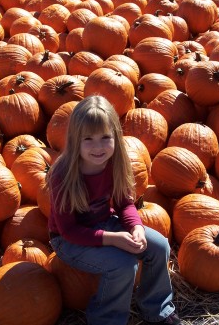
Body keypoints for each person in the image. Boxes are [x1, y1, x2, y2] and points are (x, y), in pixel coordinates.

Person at [47, 95, 180, 325]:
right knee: (123, 264)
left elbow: (124, 204)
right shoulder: (63, 174)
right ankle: (106, 319)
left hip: (105, 223)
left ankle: (156, 307)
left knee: (159, 246)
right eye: (88, 139)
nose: (98, 147)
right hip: (69, 241)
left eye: (105, 137)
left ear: (116, 137)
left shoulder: (116, 163)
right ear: (75, 139)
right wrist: (114, 239)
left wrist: (136, 226)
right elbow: (69, 231)